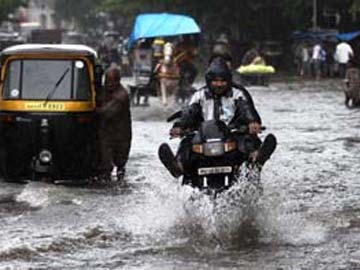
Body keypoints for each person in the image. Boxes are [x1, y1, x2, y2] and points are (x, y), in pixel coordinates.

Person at [159, 57, 277, 178]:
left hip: (233, 134)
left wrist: (252, 122)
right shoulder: (199, 95)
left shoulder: (238, 93)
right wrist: (179, 126)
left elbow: (246, 108)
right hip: (204, 137)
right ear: (209, 81)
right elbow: (189, 112)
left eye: (223, 81)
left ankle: (255, 159)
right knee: (187, 142)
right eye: (215, 80)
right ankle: (178, 166)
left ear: (228, 80)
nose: (219, 84)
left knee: (247, 140)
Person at [97, 66, 132, 180]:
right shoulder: (105, 91)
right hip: (107, 133)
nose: (109, 84)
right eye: (107, 81)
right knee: (106, 163)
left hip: (121, 134)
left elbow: (106, 112)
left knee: (120, 163)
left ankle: (118, 183)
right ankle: (107, 178)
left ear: (117, 81)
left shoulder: (121, 96)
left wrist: (93, 110)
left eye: (111, 81)